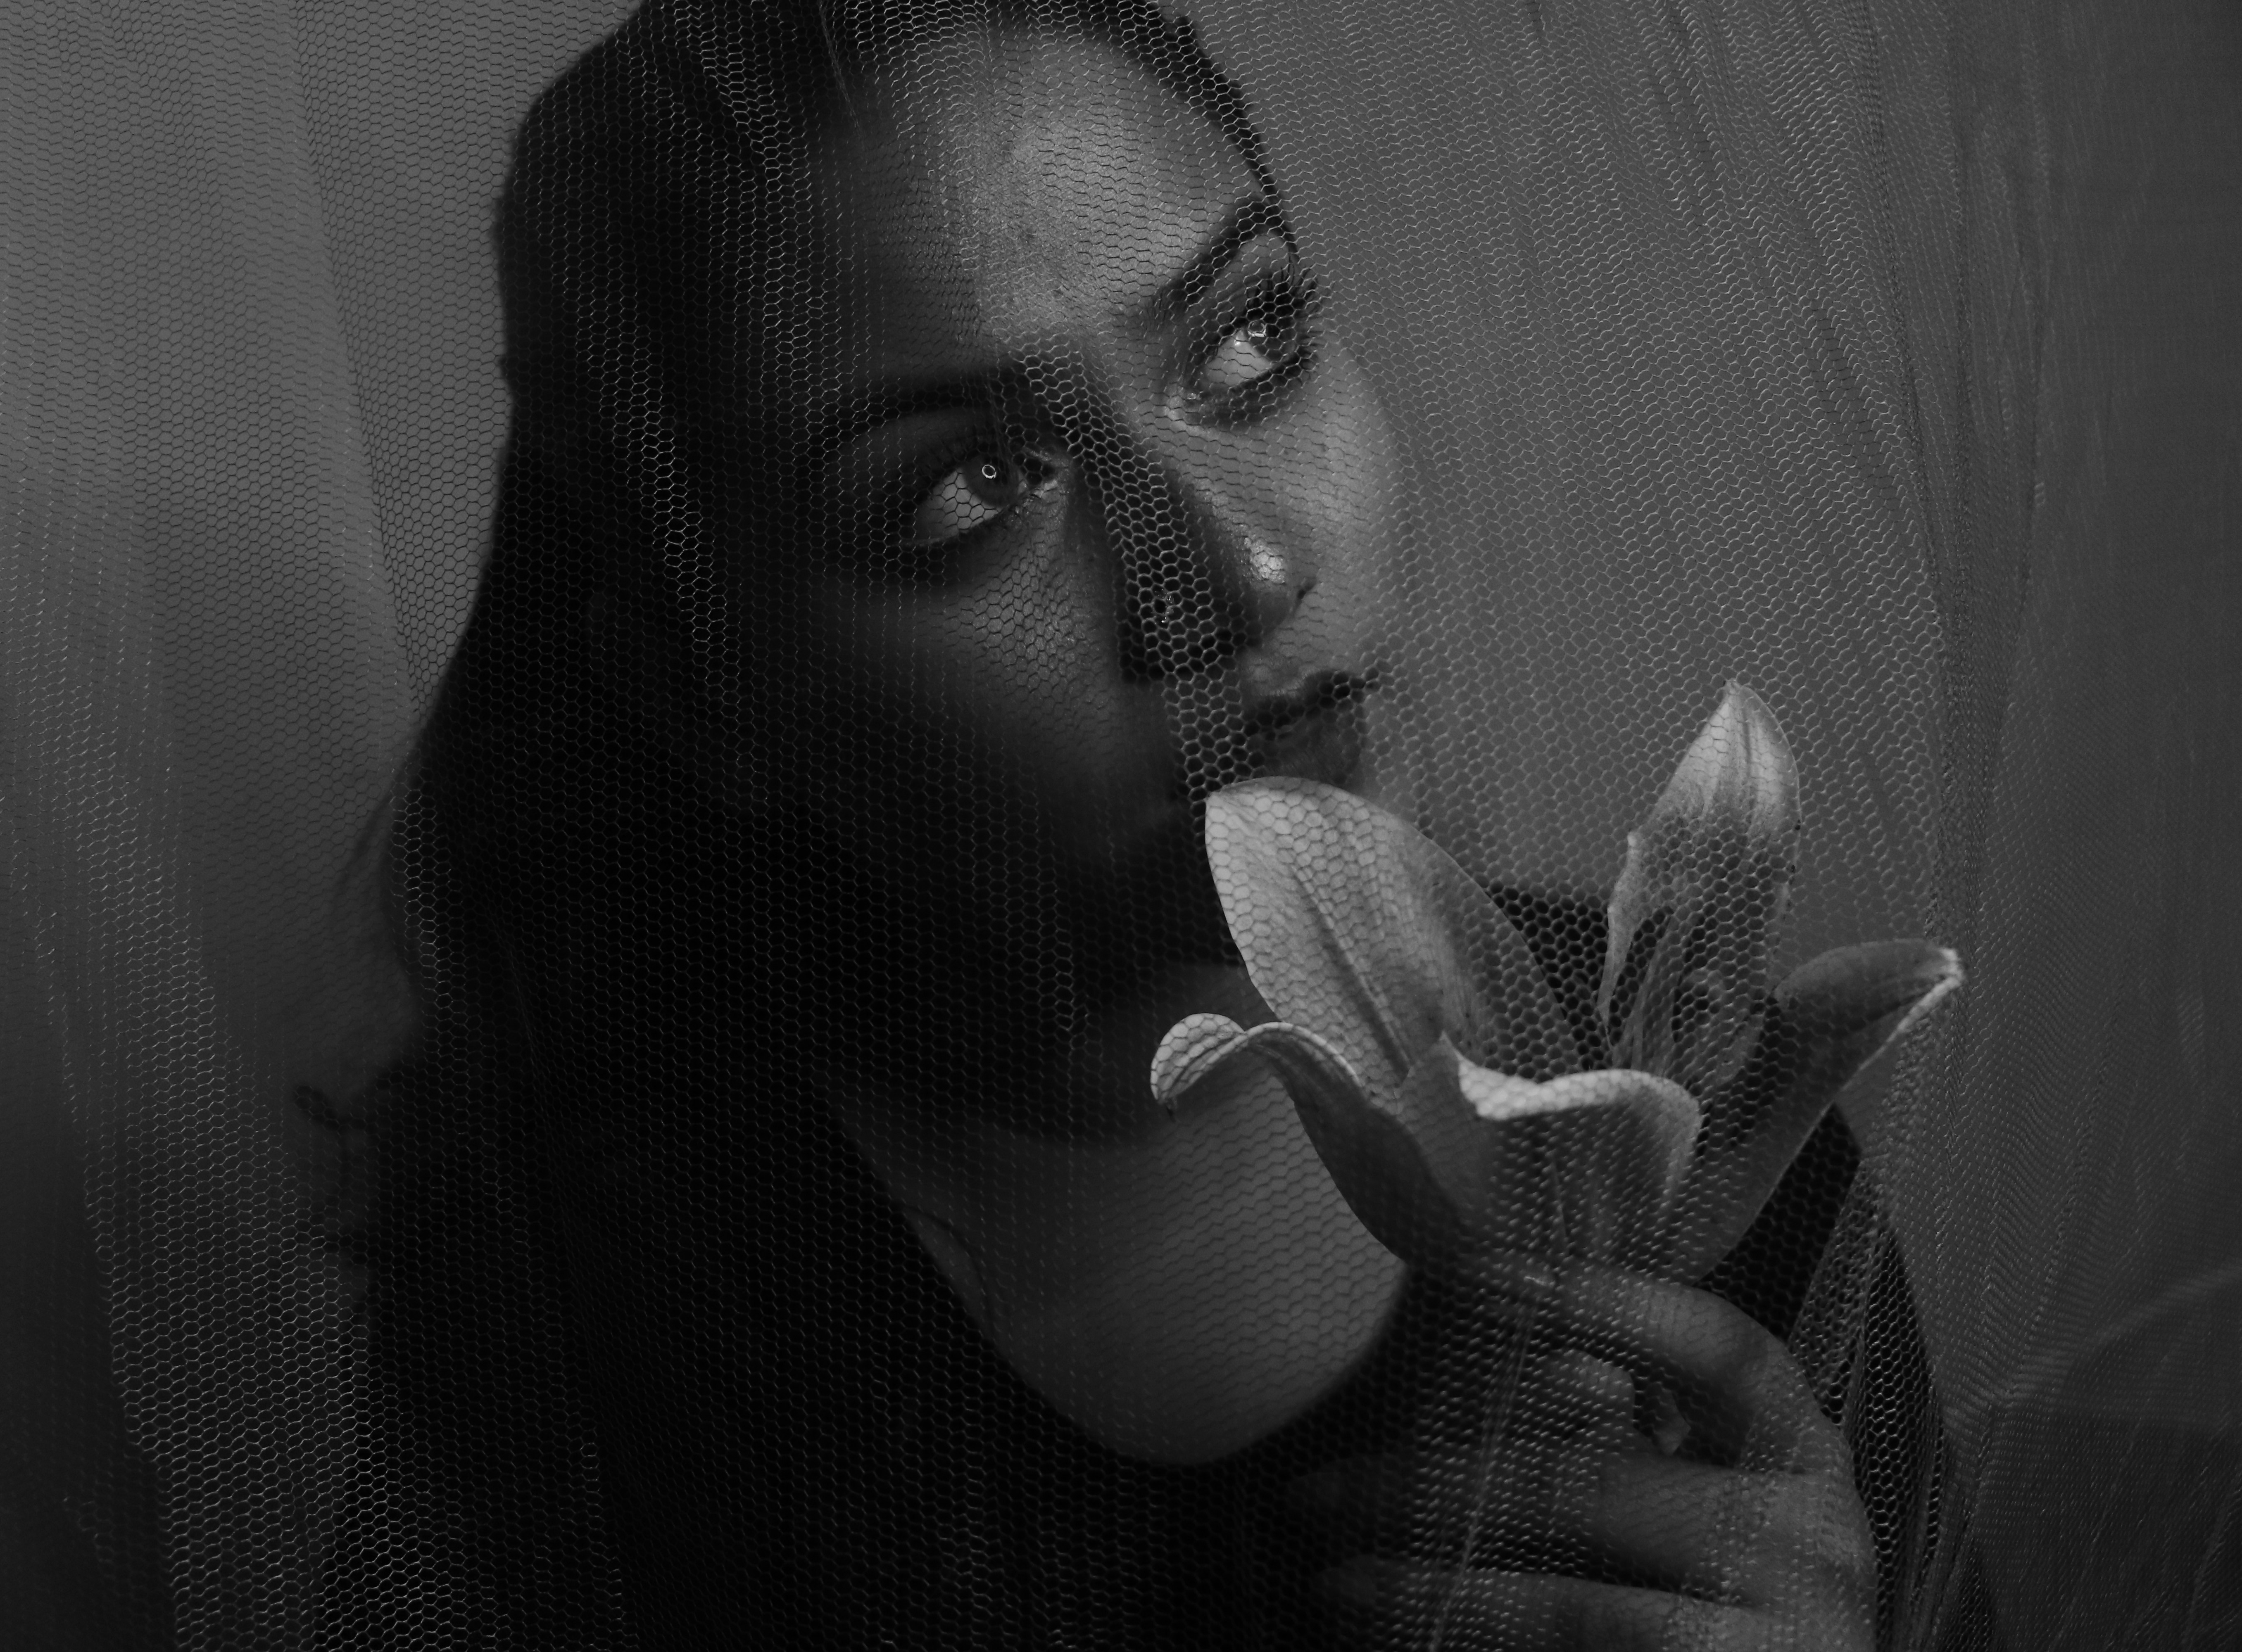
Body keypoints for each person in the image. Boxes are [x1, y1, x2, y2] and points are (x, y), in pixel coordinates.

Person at [313, 0, 1908, 1643]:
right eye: (974, 488)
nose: (1250, 572)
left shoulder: (1702, 1085)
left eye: (1250, 343)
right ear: (715, 690)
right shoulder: (610, 1317)